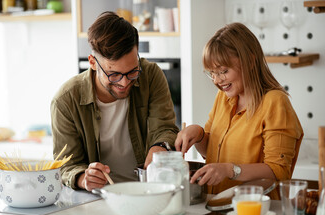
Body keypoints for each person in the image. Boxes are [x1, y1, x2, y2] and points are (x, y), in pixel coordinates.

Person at [51, 12, 178, 191]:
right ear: (93, 63)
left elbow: (165, 129)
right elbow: (66, 166)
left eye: (133, 71)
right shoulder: (65, 101)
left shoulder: (151, 76)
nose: (124, 82)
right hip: (97, 199)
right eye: (114, 74)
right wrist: (83, 178)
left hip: (147, 191)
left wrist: (161, 147)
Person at [175, 23, 303, 199]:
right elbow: (210, 153)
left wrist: (229, 170)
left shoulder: (275, 102)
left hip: (256, 209)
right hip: (217, 206)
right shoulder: (223, 98)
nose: (216, 80)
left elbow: (278, 170)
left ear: (250, 61)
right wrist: (197, 133)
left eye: (223, 71)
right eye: (212, 73)